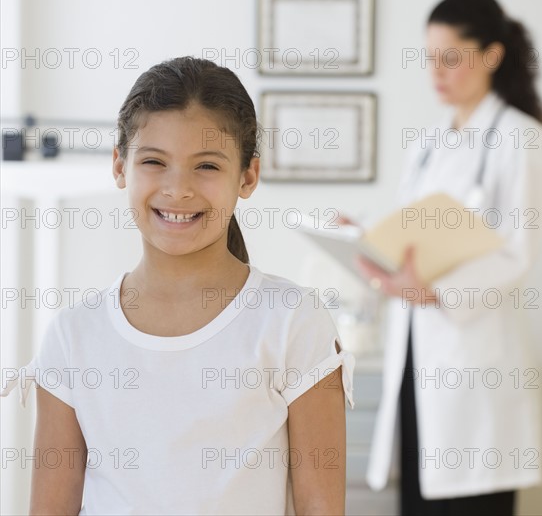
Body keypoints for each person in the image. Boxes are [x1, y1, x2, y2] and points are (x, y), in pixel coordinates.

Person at [0, 57, 355, 515]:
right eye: (153, 161)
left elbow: (322, 508)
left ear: (247, 176)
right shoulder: (73, 336)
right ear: (119, 166)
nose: (178, 189)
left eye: (206, 166)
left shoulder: (292, 322)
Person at [341, 0, 542, 516]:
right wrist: (363, 234)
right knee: (418, 495)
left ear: (492, 56)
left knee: (471, 500)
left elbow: (518, 252)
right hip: (416, 353)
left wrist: (436, 291)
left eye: (450, 58)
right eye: (430, 58)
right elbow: (410, 232)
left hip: (476, 365)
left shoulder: (520, 139)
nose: (436, 71)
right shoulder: (430, 141)